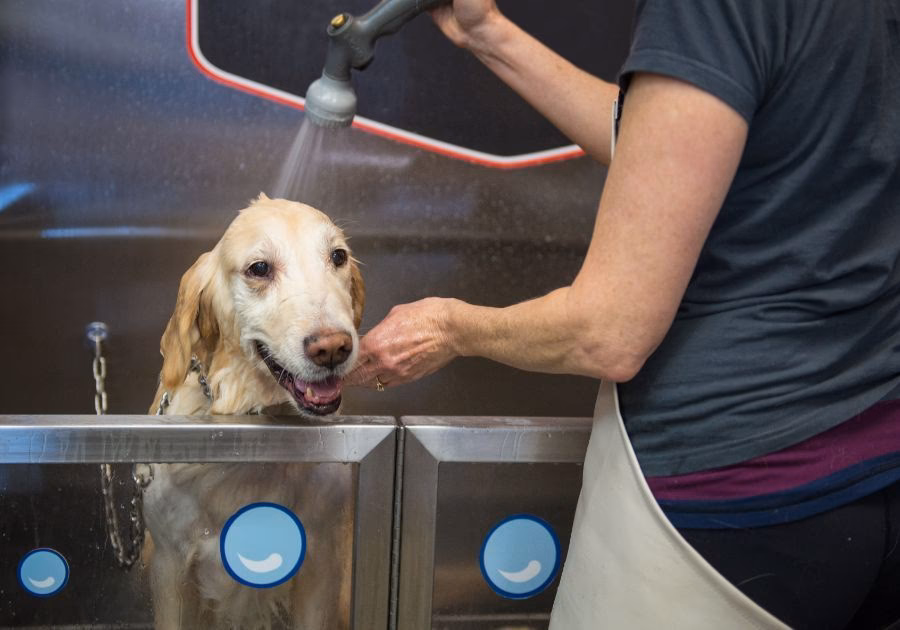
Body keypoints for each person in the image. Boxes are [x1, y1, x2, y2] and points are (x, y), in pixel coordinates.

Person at [346, 0, 900, 627]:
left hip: (731, 492)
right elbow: (683, 141)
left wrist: (450, 327)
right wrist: (486, 34)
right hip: (877, 465)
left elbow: (606, 334)